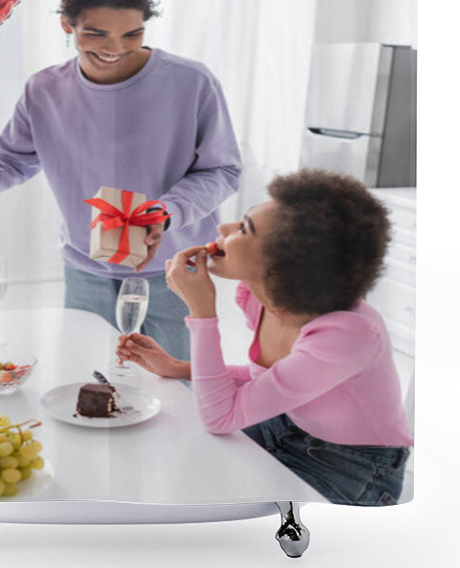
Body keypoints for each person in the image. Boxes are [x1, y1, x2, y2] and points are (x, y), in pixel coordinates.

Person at [0, 0, 241, 360]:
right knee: (90, 386)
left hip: (175, 270)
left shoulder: (191, 82)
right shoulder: (44, 89)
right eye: (96, 33)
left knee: (182, 394)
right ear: (66, 25)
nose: (115, 47)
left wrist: (166, 212)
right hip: (86, 270)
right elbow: (14, 160)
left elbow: (222, 170)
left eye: (133, 33)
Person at [116, 168, 414, 505]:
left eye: (243, 228)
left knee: (225, 516)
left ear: (284, 263)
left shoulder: (348, 334)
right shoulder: (259, 298)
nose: (222, 229)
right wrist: (177, 367)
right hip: (284, 425)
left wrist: (202, 310)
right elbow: (266, 382)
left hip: (353, 466)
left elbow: (222, 417)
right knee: (178, 456)